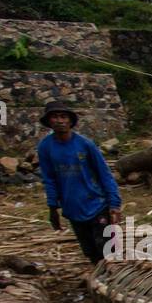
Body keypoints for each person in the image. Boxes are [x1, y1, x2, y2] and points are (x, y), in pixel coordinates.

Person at [36, 101, 122, 264]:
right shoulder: (45, 147)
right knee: (90, 251)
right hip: (73, 207)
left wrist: (114, 204)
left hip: (97, 204)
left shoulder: (85, 144)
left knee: (107, 248)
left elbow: (104, 174)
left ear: (70, 121)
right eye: (55, 117)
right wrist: (53, 207)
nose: (60, 121)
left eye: (63, 116)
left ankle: (114, 277)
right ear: (49, 122)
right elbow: (49, 179)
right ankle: (100, 278)